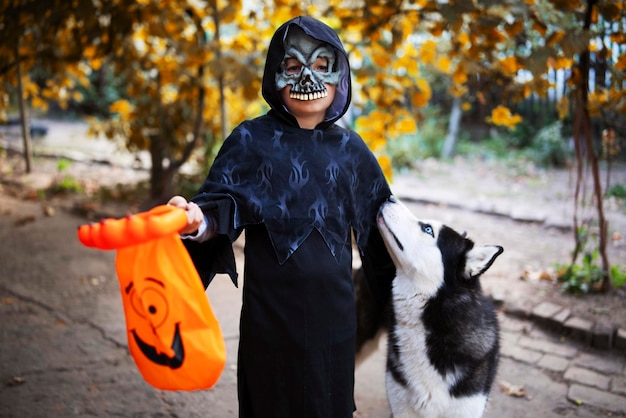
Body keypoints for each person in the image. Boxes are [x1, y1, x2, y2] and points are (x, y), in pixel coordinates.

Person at [168, 16, 394, 417]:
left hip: (335, 326)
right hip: (270, 321)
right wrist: (195, 220)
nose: (308, 77)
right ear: (276, 74)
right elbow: (221, 202)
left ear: (340, 73)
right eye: (293, 66)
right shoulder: (251, 140)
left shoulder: (353, 151)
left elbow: (386, 227)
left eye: (322, 65)